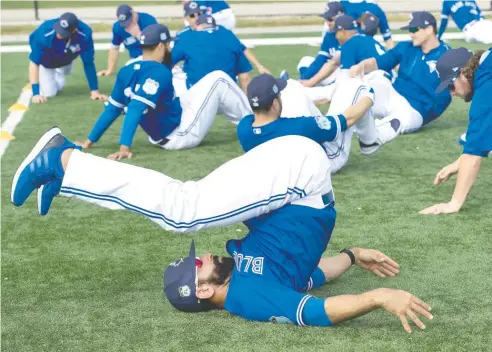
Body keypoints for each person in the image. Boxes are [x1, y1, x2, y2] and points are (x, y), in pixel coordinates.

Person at [10, 128, 432, 333]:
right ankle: (63, 165)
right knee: (184, 213)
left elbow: (308, 276)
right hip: (298, 180)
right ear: (205, 292)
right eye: (197, 265)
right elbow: (317, 301)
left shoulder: (245, 275)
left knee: (188, 208)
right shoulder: (250, 296)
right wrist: (367, 277)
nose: (204, 256)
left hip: (290, 179)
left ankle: (67, 175)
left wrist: (354, 259)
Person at [76, 24, 251, 160]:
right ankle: (256, 122)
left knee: (207, 83)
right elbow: (136, 108)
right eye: (168, 44)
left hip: (167, 124)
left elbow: (112, 109)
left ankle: (249, 118)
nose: (170, 48)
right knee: (219, 78)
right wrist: (124, 147)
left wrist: (89, 141)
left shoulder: (127, 70)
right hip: (178, 135)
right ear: (161, 46)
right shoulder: (159, 72)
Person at [237, 74, 384, 174]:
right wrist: (369, 97)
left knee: (295, 94)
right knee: (357, 86)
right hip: (326, 160)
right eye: (279, 96)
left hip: (283, 166)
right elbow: (348, 119)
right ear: (274, 103)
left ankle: (327, 93)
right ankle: (369, 142)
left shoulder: (244, 127)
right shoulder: (300, 127)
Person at [350, 11, 451, 143]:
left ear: (429, 29)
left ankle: (368, 131)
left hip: (415, 110)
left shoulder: (448, 56)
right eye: (409, 30)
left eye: (414, 29)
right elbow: (379, 62)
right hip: (393, 95)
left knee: (403, 121)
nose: (410, 34)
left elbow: (462, 87)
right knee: (370, 79)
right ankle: (334, 121)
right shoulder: (405, 47)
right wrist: (361, 65)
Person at [420, 48, 491, 215]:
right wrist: (460, 162)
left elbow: (474, 154)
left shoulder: (487, 86)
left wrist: (454, 203)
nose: (452, 92)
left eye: (451, 84)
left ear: (462, 73)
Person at [27, 12, 106, 103]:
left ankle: (60, 71)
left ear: (74, 30)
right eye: (59, 29)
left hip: (67, 59)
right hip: (47, 62)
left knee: (66, 70)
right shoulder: (44, 32)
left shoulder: (85, 34)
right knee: (49, 93)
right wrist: (36, 93)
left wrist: (94, 91)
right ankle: (50, 74)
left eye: (63, 32)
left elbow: (88, 63)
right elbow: (34, 63)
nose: (59, 34)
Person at [171, 14, 253, 94]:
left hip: (199, 96)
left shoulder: (188, 38)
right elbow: (244, 77)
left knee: (177, 77)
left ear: (197, 26)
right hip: (228, 95)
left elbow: (167, 63)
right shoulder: (228, 36)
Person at [288, 2, 341, 90]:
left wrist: (309, 82)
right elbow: (321, 59)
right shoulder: (330, 34)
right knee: (305, 61)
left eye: (330, 19)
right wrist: (303, 79)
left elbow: (335, 64)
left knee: (337, 70)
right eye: (326, 19)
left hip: (345, 74)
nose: (327, 23)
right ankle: (304, 85)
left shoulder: (348, 34)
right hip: (331, 71)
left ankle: (307, 87)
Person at [97, 4, 157, 77]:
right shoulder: (118, 27)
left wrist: (139, 35)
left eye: (129, 21)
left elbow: (157, 46)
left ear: (134, 14)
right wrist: (110, 70)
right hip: (136, 59)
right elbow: (114, 48)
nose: (127, 26)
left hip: (154, 57)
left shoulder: (148, 20)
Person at [322, 1, 395, 49]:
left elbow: (387, 38)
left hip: (366, 52)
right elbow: (327, 32)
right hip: (341, 51)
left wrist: (396, 63)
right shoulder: (338, 4)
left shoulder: (374, 7)